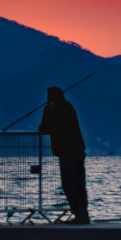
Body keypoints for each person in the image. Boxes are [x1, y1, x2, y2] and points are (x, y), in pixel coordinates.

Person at [38, 86, 90, 224]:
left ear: (52, 96)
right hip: (79, 148)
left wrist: (46, 109)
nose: (47, 98)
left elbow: (44, 127)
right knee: (79, 184)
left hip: (67, 149)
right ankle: (84, 213)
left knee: (68, 183)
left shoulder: (55, 109)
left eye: (48, 95)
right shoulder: (68, 106)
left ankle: (79, 215)